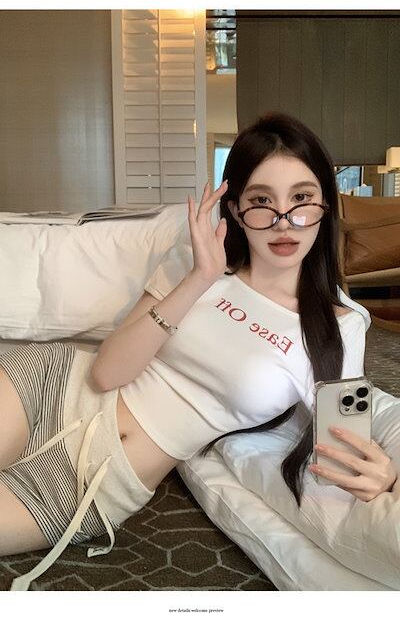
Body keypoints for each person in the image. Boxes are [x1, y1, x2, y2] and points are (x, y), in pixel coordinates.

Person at [0, 112, 397, 591]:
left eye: (301, 199)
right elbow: (106, 374)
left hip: (106, 475)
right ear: (235, 210)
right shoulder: (197, 262)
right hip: (49, 386)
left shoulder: (341, 327)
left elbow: (346, 437)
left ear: (325, 206)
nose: (283, 221)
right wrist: (200, 279)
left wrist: (380, 471)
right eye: (261, 201)